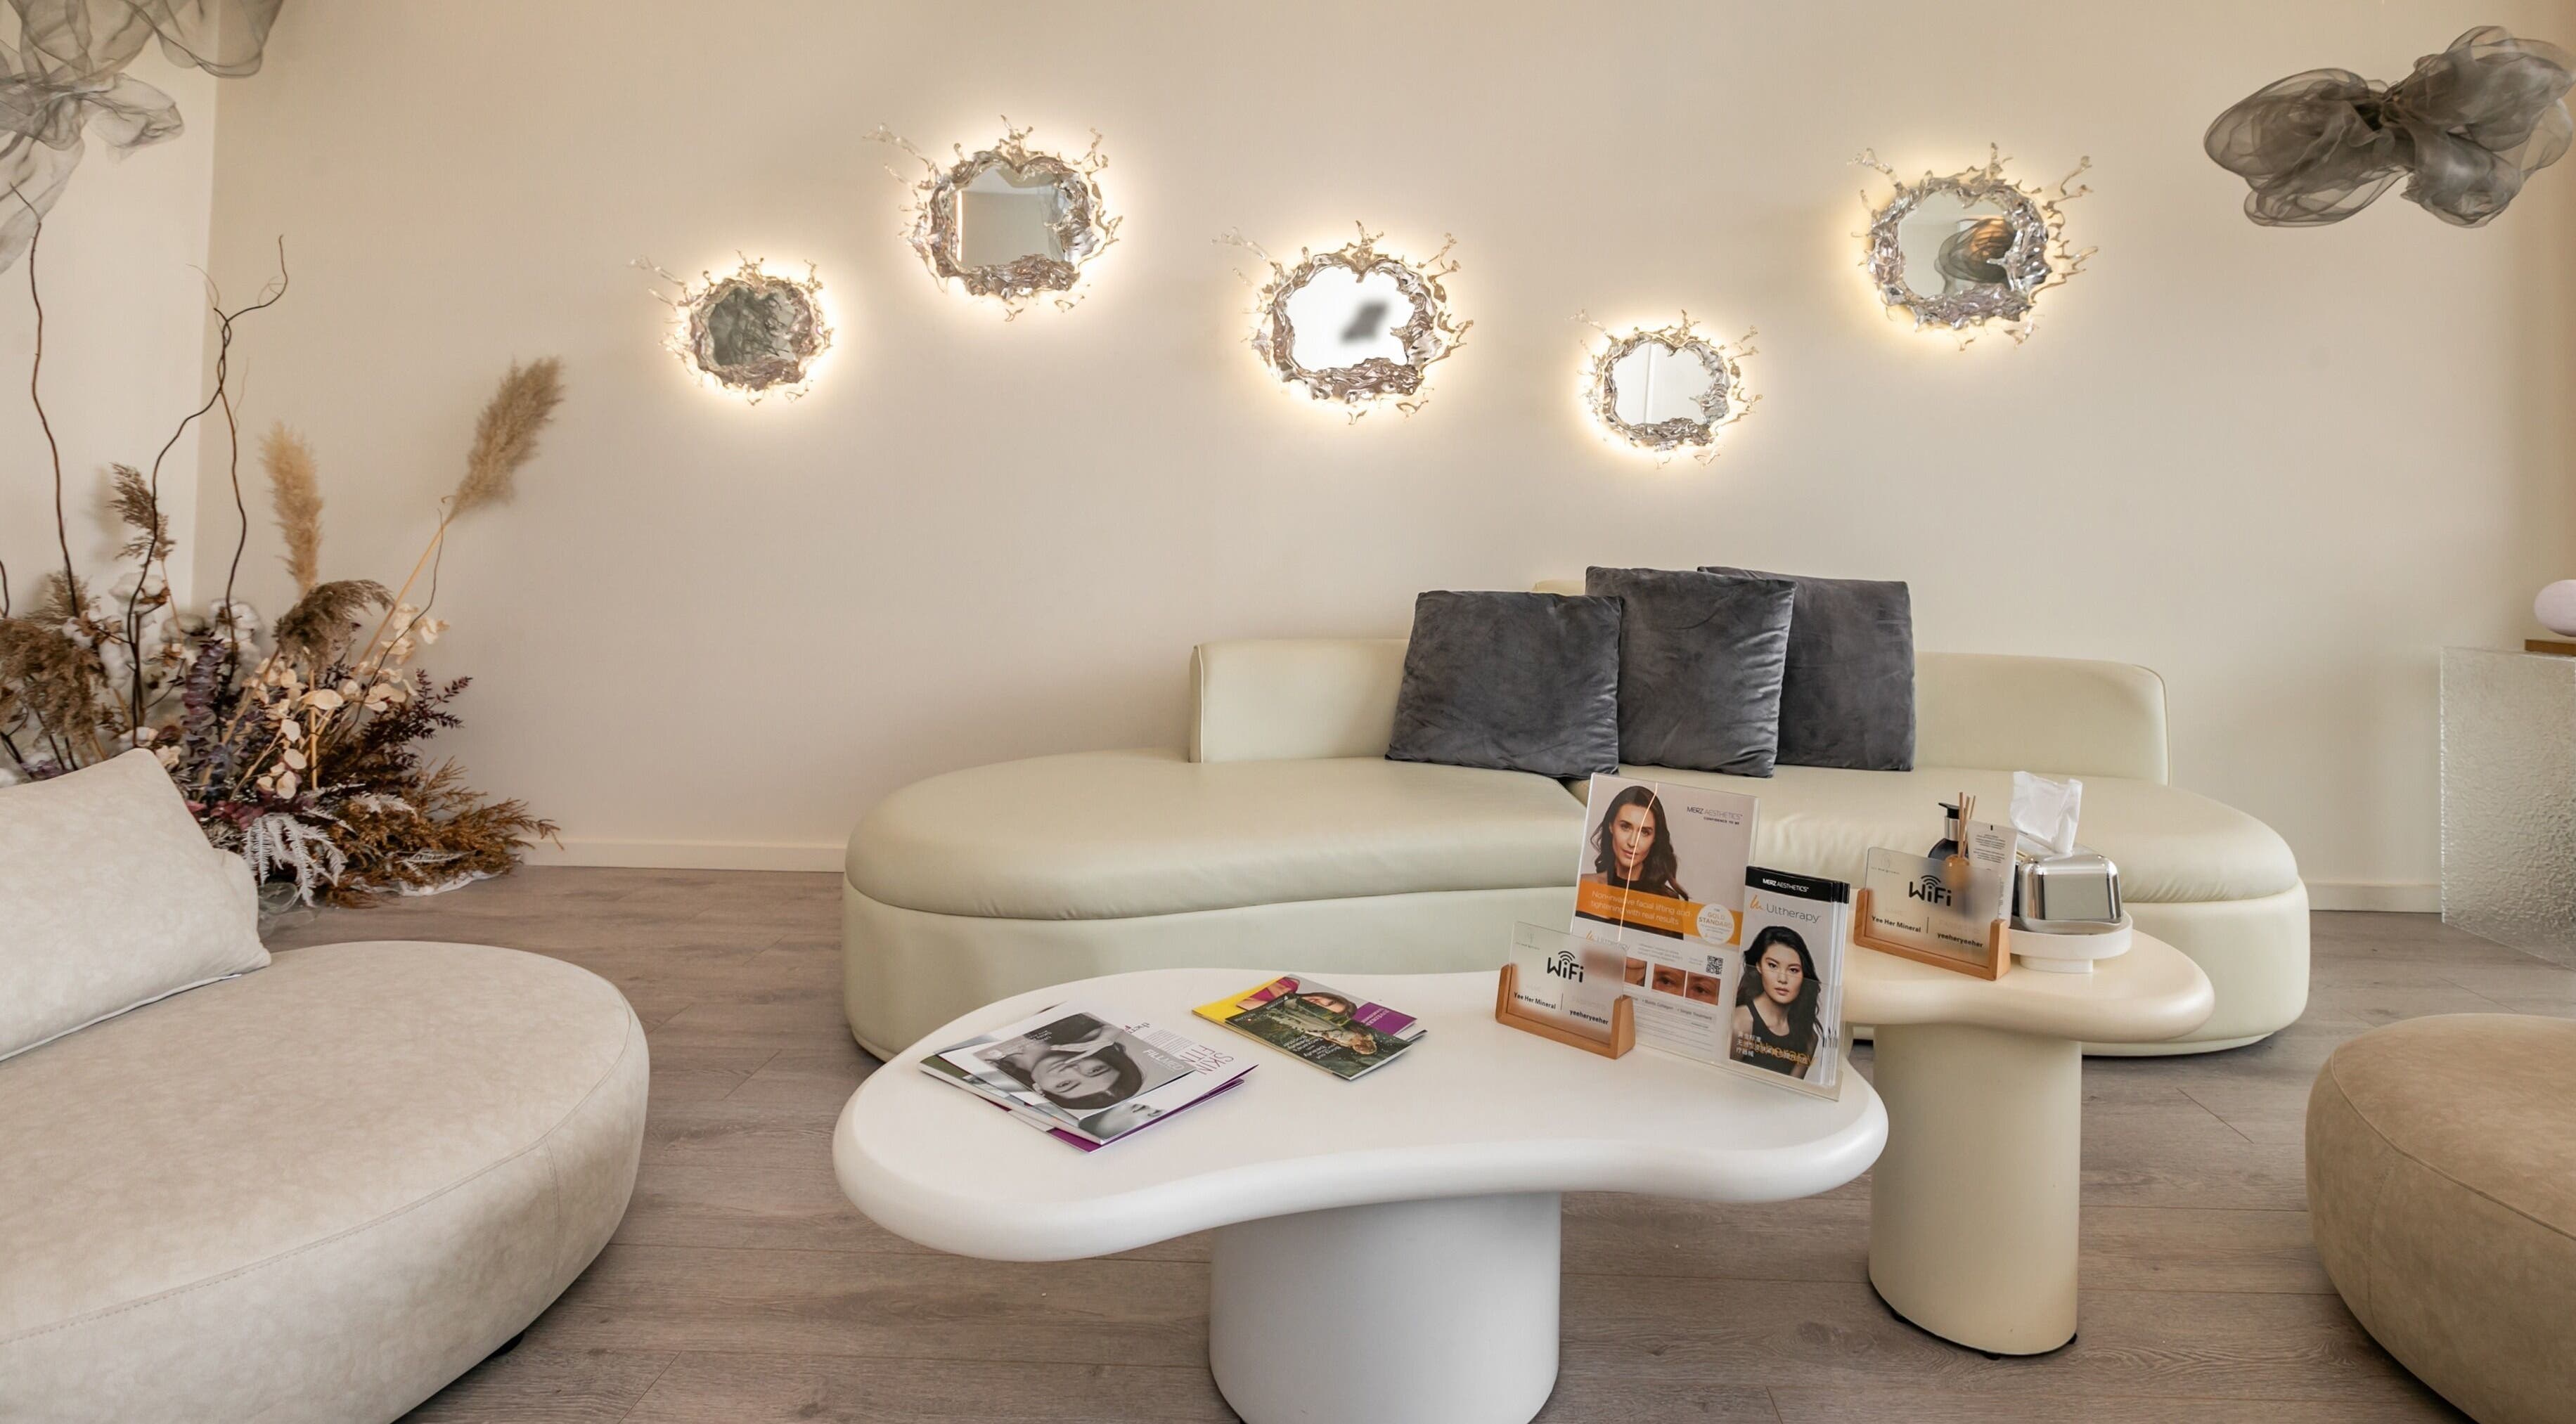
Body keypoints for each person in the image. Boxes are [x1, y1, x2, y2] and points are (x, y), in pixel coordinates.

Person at [1578, 785, 1690, 936]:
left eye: (1645, 832)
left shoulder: (1666, 901)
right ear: (1611, 826)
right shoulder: (1585, 886)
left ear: (1655, 838)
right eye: (1625, 827)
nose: (1632, 842)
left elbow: (1672, 958)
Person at [1730, 926, 1825, 1080]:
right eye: (1773, 966)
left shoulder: (1809, 1038)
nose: (1782, 979)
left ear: (1804, 976)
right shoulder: (1740, 1024)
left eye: (1793, 970)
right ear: (1759, 966)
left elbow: (1790, 1094)